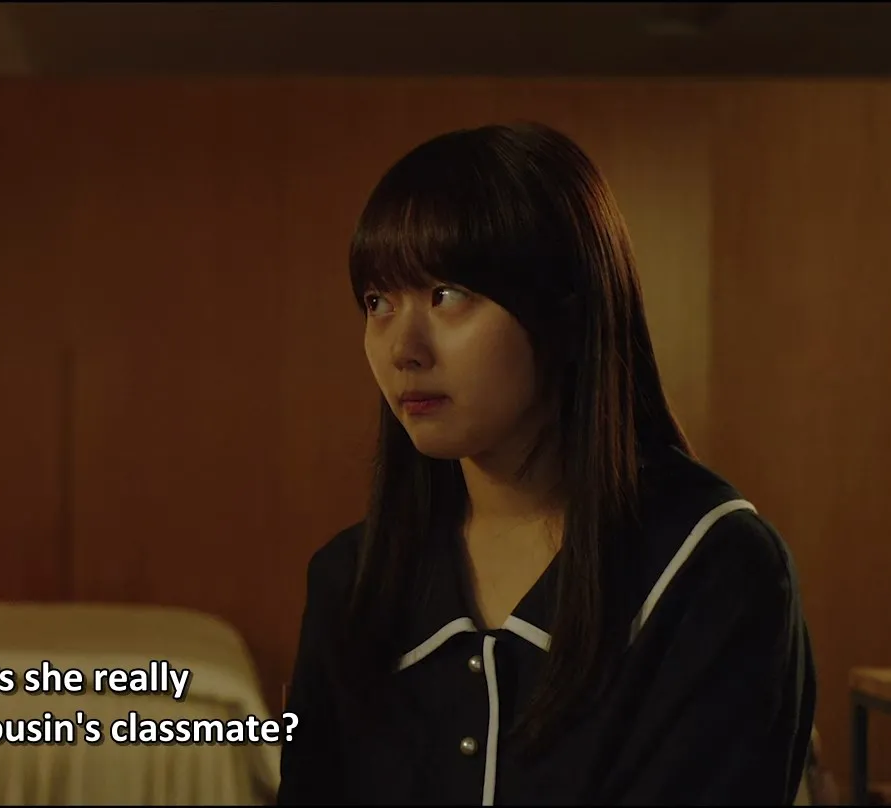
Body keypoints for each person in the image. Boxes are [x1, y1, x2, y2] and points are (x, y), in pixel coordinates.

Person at [276, 123, 816, 805]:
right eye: (378, 302)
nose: (402, 348)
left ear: (564, 310)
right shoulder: (352, 582)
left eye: (447, 295)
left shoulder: (709, 568)